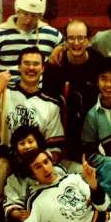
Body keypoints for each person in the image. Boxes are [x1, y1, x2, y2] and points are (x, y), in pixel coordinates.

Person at [0, 46, 65, 162]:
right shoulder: (3, 91)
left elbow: (55, 149)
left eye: (36, 64)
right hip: (1, 161)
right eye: (26, 63)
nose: (31, 68)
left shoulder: (51, 105)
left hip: (33, 165)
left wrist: (38, 165)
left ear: (43, 68)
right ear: (18, 67)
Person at [14, 148, 111, 222]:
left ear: (52, 162)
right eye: (38, 167)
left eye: (46, 162)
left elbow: (103, 206)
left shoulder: (73, 178)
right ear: (33, 175)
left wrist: (93, 183)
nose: (45, 168)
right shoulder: (37, 201)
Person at [42, 19, 103, 162]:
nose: (76, 43)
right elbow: (48, 103)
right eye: (71, 38)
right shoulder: (55, 65)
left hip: (93, 128)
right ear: (65, 41)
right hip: (62, 128)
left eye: (81, 38)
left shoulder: (98, 63)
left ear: (88, 40)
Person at [0, 0, 63, 86]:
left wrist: (62, 47)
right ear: (17, 10)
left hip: (41, 95)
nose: (28, 20)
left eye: (34, 15)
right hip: (8, 93)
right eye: (25, 13)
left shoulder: (53, 35)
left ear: (41, 15)